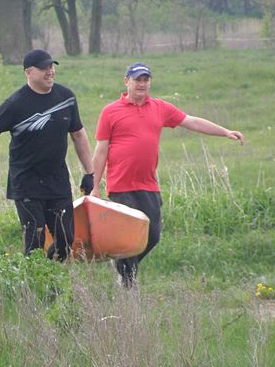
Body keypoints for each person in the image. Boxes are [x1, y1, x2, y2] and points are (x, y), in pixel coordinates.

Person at [91, 62, 244, 289]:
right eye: (137, 79)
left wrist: (225, 132)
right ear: (126, 82)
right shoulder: (110, 111)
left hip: (148, 185)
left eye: (146, 79)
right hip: (120, 185)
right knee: (128, 235)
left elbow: (191, 121)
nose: (142, 84)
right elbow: (101, 150)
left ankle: (123, 267)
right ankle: (127, 282)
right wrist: (95, 187)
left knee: (152, 236)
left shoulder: (160, 107)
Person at [0, 49, 95, 261]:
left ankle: (50, 276)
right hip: (26, 182)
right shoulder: (15, 103)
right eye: (44, 68)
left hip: (57, 180)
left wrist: (90, 172)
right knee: (35, 237)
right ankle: (34, 287)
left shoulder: (66, 97)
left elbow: (78, 135)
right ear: (28, 72)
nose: (50, 72)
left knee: (65, 240)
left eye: (52, 67)